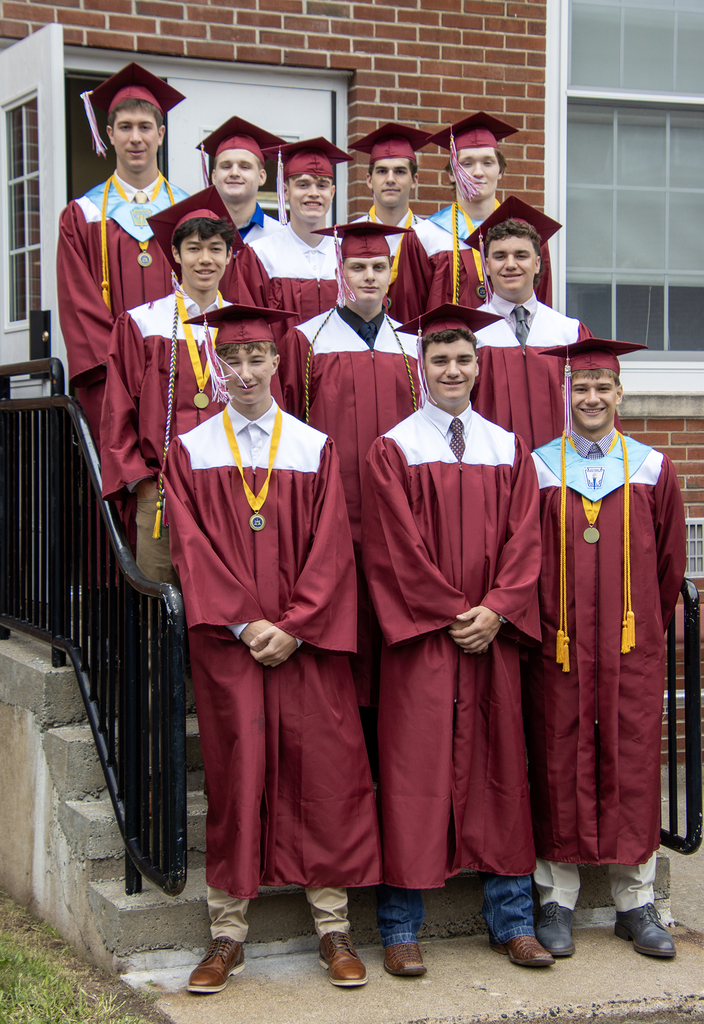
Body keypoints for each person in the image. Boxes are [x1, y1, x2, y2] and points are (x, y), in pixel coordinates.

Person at [163, 304, 382, 993]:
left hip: (305, 644)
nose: (246, 371)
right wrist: (243, 625)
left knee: (321, 772)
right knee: (235, 777)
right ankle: (227, 933)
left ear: (278, 362)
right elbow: (190, 548)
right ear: (217, 366)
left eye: (257, 357)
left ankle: (332, 927)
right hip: (231, 649)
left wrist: (295, 625)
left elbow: (332, 548)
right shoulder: (192, 449)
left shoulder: (313, 447)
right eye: (232, 359)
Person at [362, 304, 554, 977]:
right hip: (425, 639)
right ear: (421, 368)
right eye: (439, 360)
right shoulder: (394, 447)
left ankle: (515, 922)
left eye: (463, 360)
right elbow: (393, 546)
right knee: (411, 773)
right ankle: (400, 926)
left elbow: (526, 539)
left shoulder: (507, 447)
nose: (452, 370)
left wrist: (497, 609)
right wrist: (452, 612)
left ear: (479, 367)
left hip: (492, 636)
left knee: (502, 769)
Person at [527, 338, 685, 960]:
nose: (591, 398)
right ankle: (556, 898)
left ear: (620, 394)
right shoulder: (540, 467)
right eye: (581, 387)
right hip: (561, 644)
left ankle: (634, 902)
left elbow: (669, 562)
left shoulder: (651, 467)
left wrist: (640, 629)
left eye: (602, 387)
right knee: (558, 755)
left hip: (628, 645)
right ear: (566, 393)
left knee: (634, 758)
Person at [278, 221, 419, 708]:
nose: (369, 276)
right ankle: (347, 718)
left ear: (391, 272)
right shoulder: (306, 339)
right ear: (340, 271)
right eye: (358, 267)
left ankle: (393, 716)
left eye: (379, 266)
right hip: (332, 501)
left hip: (400, 504)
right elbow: (290, 420)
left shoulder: (413, 343)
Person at [100, 188, 242, 583]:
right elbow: (118, 410)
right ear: (175, 254)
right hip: (160, 495)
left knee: (222, 599)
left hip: (230, 494)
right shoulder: (143, 324)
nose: (205, 259)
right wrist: (142, 484)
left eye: (215, 249)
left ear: (229, 256)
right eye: (193, 248)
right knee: (159, 601)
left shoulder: (242, 327)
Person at [57, 63, 189, 447]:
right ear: (109, 134)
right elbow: (78, 302)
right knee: (120, 467)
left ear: (160, 134)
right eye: (125, 127)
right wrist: (119, 363)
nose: (136, 138)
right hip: (110, 374)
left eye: (145, 127)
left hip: (180, 366)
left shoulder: (188, 212)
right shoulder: (82, 215)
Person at [467, 196, 592, 450]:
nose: (510, 264)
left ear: (537, 264)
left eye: (521, 255)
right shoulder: (470, 333)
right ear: (487, 266)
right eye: (500, 256)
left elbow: (594, 406)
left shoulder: (569, 332)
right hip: (492, 463)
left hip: (561, 465)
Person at [424, 113, 552, 309]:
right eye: (467, 163)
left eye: (488, 162)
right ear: (451, 173)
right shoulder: (426, 236)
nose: (478, 172)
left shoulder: (528, 233)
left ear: (500, 171)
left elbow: (541, 308)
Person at [233, 138, 351, 342]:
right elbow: (248, 332)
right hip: (281, 362)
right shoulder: (260, 255)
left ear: (332, 193)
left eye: (322, 185)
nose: (313, 193)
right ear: (285, 191)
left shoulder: (348, 253)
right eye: (303, 185)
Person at [350, 121, 455, 322]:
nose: (390, 179)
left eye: (399, 171)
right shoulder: (348, 236)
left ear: (414, 180)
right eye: (382, 171)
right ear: (369, 180)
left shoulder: (431, 238)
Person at [198, 115, 285, 245]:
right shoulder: (195, 233)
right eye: (226, 166)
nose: (234, 173)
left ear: (261, 177)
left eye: (245, 167)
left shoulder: (280, 235)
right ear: (214, 177)